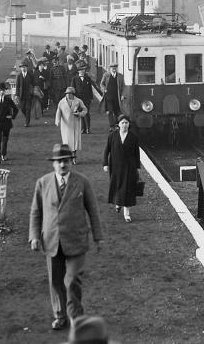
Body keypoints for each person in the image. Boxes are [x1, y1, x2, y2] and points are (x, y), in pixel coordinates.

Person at [29, 143, 104, 331]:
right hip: (52, 240)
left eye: (66, 161)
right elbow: (36, 212)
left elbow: (93, 210)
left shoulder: (82, 181)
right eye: (59, 162)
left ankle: (76, 317)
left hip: (76, 240)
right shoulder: (43, 183)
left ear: (71, 162)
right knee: (55, 281)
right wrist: (34, 236)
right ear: (53, 164)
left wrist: (98, 237)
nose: (62, 165)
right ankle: (60, 315)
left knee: (72, 281)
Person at [103, 114, 141, 223]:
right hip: (115, 167)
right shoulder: (112, 136)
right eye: (122, 123)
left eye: (126, 123)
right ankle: (118, 203)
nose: (124, 125)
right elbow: (107, 151)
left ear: (129, 124)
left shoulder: (133, 138)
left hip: (129, 167)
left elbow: (136, 154)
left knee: (127, 189)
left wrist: (137, 167)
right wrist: (105, 164)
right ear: (118, 125)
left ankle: (127, 213)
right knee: (117, 186)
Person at [56, 87, 88, 164]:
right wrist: (57, 120)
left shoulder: (78, 101)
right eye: (66, 94)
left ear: (73, 94)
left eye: (69, 94)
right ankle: (69, 158)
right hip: (66, 125)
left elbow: (85, 110)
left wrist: (79, 114)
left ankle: (74, 157)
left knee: (75, 142)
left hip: (75, 124)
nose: (68, 95)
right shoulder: (62, 102)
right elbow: (58, 111)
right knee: (67, 142)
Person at [0, 83, 18, 164]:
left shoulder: (8, 100)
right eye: (0, 90)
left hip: (7, 124)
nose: (1, 92)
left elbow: (16, 109)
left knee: (5, 140)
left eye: (3, 90)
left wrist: (12, 116)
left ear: (5, 91)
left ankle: (4, 154)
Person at [100, 63, 125, 131]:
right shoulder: (106, 75)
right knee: (110, 111)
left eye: (115, 68)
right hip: (108, 97)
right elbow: (101, 84)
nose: (114, 69)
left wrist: (122, 95)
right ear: (110, 68)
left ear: (116, 68)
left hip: (117, 97)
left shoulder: (120, 76)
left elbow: (123, 86)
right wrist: (104, 89)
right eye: (112, 68)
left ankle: (116, 125)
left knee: (117, 111)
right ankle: (111, 126)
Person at [72, 62, 94, 134]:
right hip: (78, 99)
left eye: (83, 69)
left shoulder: (88, 78)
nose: (82, 71)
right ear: (78, 71)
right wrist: (73, 99)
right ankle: (82, 129)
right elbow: (73, 89)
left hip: (86, 99)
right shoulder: (74, 79)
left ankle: (88, 128)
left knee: (86, 113)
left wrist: (91, 98)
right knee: (80, 113)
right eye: (81, 70)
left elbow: (90, 89)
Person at [15, 62, 35, 127]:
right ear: (20, 68)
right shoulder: (19, 76)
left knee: (28, 109)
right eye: (22, 67)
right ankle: (27, 116)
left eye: (24, 67)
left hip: (29, 95)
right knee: (22, 109)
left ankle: (27, 122)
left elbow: (34, 84)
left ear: (26, 68)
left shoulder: (30, 75)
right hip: (22, 95)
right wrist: (16, 95)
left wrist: (33, 91)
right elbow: (17, 86)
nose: (23, 68)